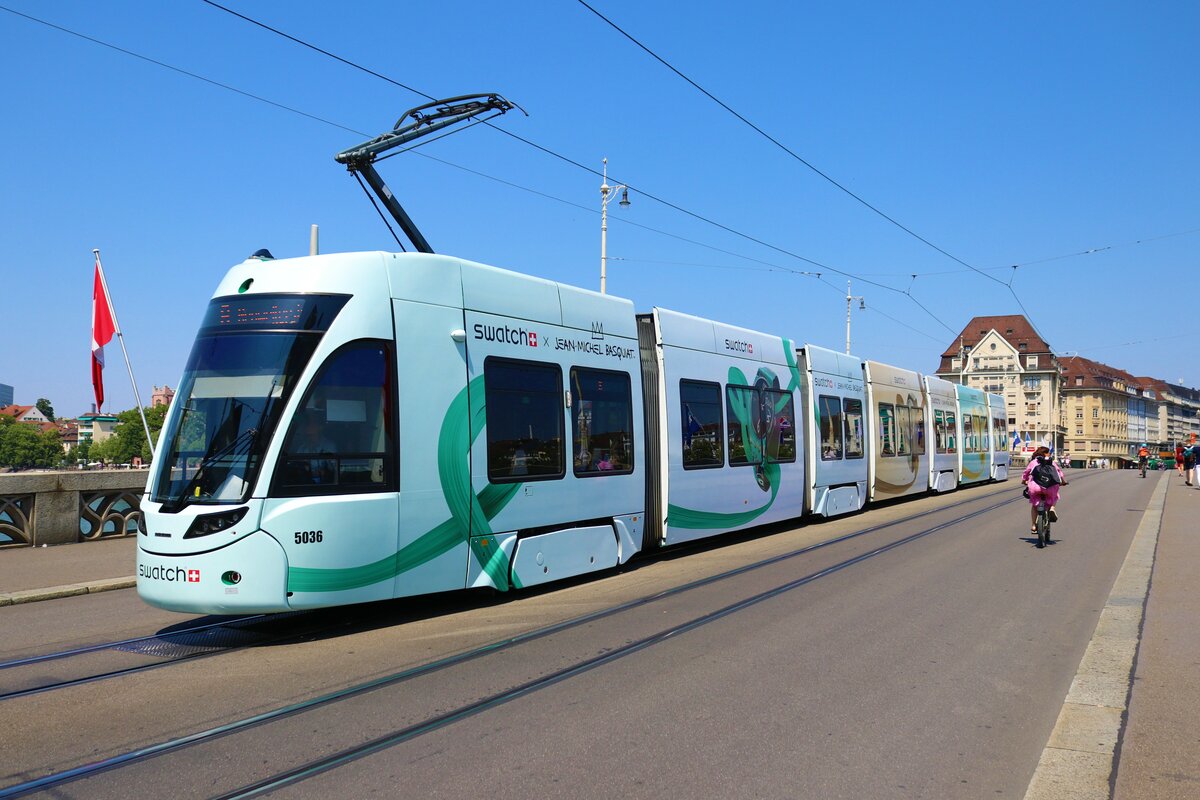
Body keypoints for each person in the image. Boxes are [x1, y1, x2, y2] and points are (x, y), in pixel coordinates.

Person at [1022, 445, 1065, 544]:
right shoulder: (1052, 462)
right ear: (1046, 454)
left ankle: (1033, 525)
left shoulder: (1033, 462)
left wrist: (1024, 480)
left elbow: (1026, 472)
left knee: (1034, 505)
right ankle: (1052, 508)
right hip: (1050, 488)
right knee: (1055, 495)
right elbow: (1060, 474)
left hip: (1035, 488)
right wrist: (1063, 482)